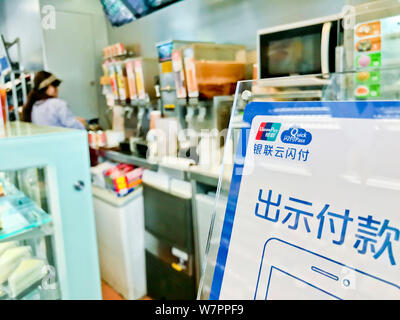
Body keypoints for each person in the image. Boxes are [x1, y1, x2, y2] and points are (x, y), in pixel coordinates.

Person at [22, 71, 87, 130]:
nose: (57, 88)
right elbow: (74, 127)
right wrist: (82, 123)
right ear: (47, 87)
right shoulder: (57, 104)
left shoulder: (35, 105)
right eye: (55, 85)